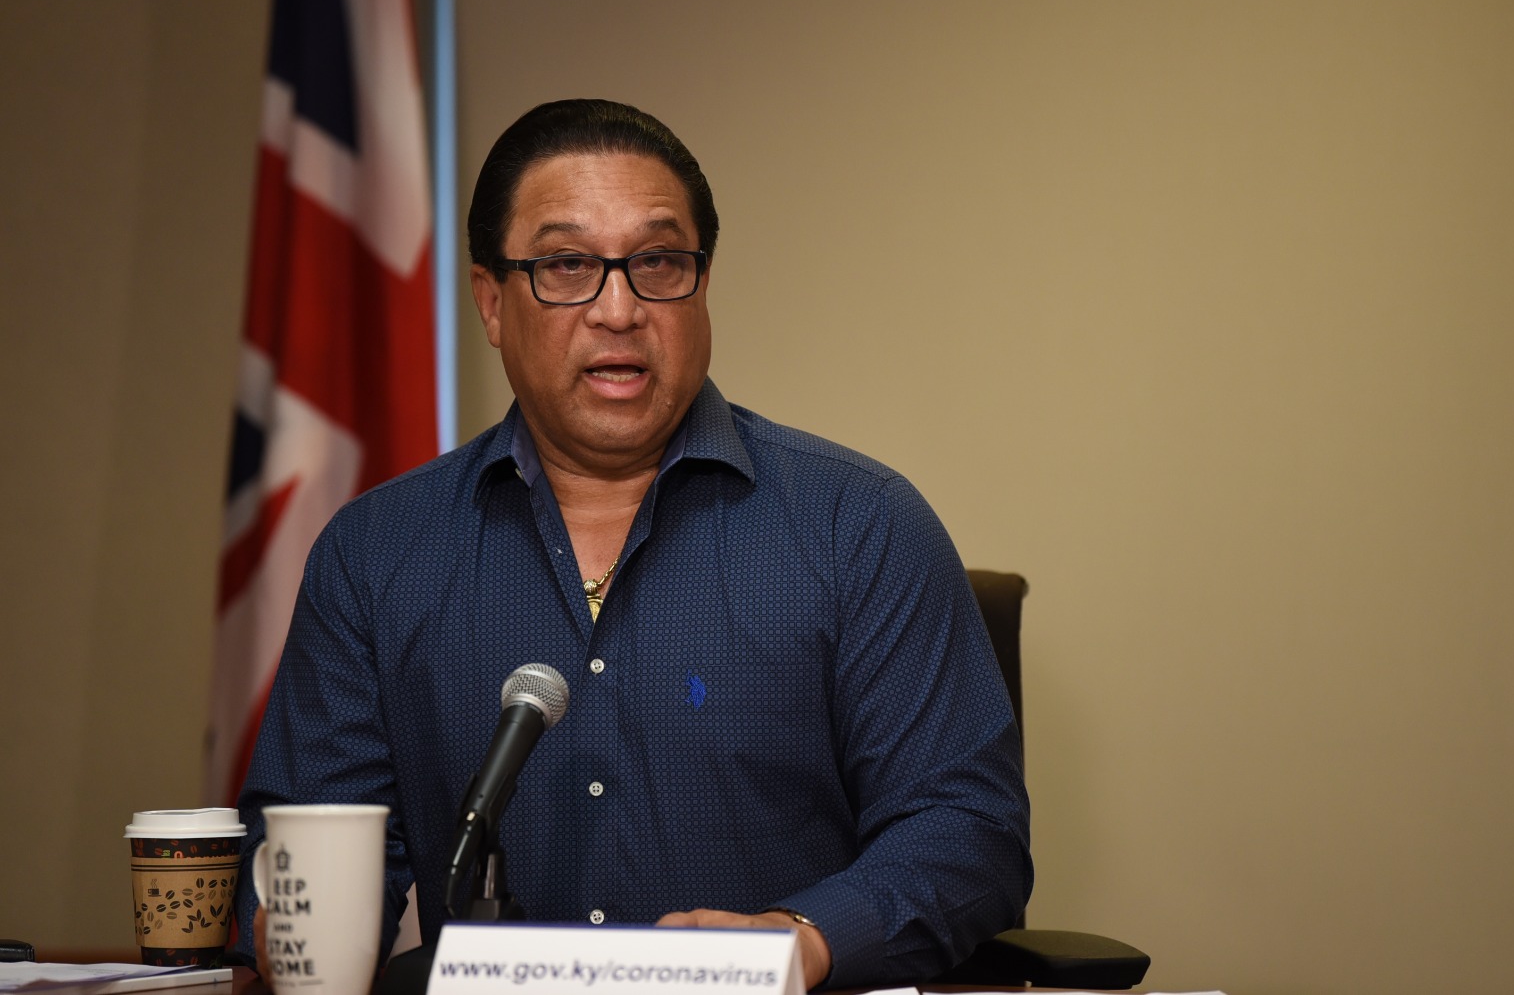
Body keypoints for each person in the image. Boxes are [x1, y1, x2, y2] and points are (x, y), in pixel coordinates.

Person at [233, 99, 1031, 989]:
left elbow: (969, 832)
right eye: (567, 266)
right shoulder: (377, 555)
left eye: (656, 263)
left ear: (702, 284)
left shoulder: (861, 526)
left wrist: (799, 941)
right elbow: (302, 853)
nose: (619, 309)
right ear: (491, 302)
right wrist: (284, 917)